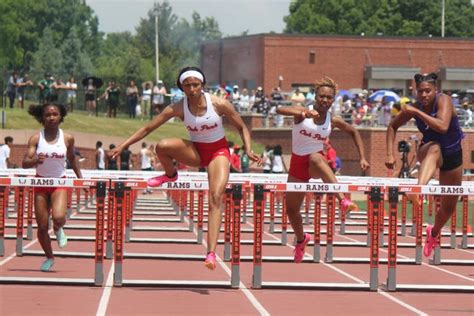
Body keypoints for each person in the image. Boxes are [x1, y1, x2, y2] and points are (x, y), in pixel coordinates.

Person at [110, 66, 261, 270]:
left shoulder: (218, 103)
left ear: (202, 85)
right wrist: (122, 146)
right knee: (161, 146)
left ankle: (210, 253)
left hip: (218, 152)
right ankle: (170, 175)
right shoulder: (178, 108)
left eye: (195, 85)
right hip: (196, 152)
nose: (192, 89)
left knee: (216, 196)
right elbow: (147, 128)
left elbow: (242, 127)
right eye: (187, 85)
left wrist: (249, 149)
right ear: (181, 87)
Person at [276, 76, 370, 263]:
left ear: (333, 100)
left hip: (316, 165)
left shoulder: (332, 120)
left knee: (315, 156)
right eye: (322, 96)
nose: (325, 100)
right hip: (297, 166)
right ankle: (302, 240)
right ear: (316, 97)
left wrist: (363, 157)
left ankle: (342, 200)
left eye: (329, 97)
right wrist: (303, 113)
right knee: (292, 210)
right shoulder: (302, 113)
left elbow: (354, 131)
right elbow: (279, 109)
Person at [385, 72, 464, 258]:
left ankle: (434, 232)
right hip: (428, 151)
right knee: (434, 147)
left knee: (449, 207)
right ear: (415, 92)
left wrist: (417, 113)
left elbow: (443, 127)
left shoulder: (443, 101)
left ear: (435, 90)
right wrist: (389, 153)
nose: (424, 95)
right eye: (420, 92)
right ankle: (417, 189)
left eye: (428, 91)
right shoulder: (414, 107)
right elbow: (392, 126)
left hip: (453, 155)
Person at [22, 102, 83, 271]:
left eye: (55, 114)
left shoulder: (67, 138)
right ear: (42, 118)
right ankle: (49, 256)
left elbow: (72, 158)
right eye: (48, 115)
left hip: (59, 182)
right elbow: (24, 162)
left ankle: (58, 228)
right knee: (41, 227)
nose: (51, 118)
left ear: (61, 116)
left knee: (58, 217)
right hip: (40, 183)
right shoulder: (36, 138)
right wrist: (35, 160)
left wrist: (81, 180)